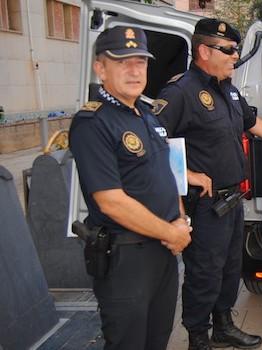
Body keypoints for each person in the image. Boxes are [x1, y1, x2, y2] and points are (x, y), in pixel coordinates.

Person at [155, 18, 262, 350]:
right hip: (205, 204)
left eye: (235, 50)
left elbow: (252, 123)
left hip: (231, 200)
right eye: (227, 50)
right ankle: (198, 336)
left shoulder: (227, 88)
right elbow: (153, 145)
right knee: (204, 273)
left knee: (230, 269)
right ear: (203, 51)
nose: (234, 57)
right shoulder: (179, 92)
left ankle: (223, 326)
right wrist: (185, 176)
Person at [69, 26, 192, 350]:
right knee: (128, 343)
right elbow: (111, 202)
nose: (134, 70)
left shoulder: (146, 115)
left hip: (163, 251)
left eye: (140, 61)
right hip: (126, 257)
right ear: (100, 68)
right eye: (122, 61)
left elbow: (167, 175)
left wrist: (180, 220)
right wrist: (170, 231)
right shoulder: (93, 122)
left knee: (157, 339)